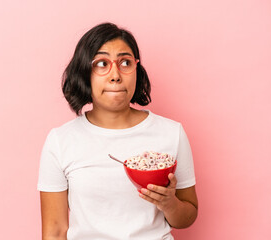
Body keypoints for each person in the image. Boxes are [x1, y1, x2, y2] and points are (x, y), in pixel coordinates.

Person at [37, 22, 198, 240]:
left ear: (136, 69)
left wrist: (169, 204)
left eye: (125, 62)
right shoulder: (60, 141)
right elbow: (54, 231)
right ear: (84, 72)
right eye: (102, 63)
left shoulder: (171, 133)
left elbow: (188, 216)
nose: (115, 75)